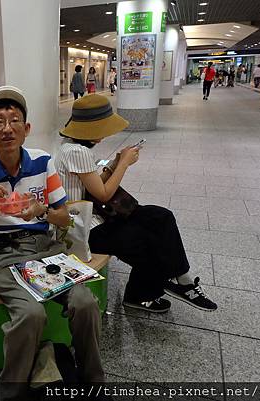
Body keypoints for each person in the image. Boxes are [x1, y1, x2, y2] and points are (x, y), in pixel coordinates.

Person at [0, 86, 105, 401]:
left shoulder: (42, 163)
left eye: (14, 120)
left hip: (45, 247)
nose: (7, 128)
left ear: (26, 129)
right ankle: (11, 393)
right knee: (31, 314)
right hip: (2, 254)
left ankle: (94, 381)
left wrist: (41, 210)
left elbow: (66, 218)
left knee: (85, 303)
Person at [55, 94, 218, 314]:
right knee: (147, 240)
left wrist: (112, 165)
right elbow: (103, 194)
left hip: (95, 216)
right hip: (85, 230)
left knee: (161, 217)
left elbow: (93, 186)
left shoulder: (70, 146)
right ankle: (140, 295)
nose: (105, 134)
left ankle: (183, 279)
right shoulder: (77, 152)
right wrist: (123, 164)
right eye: (102, 128)